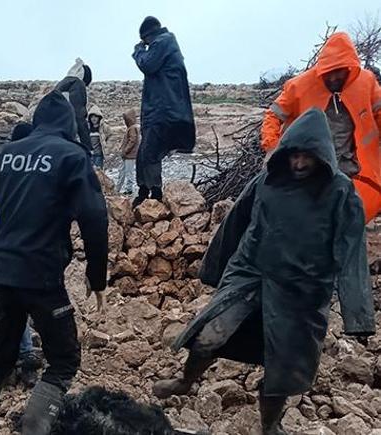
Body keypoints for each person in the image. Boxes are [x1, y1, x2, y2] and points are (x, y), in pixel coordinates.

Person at [155, 109, 375, 435]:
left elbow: (352, 250)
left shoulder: (341, 193)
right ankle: (185, 381)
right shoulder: (268, 180)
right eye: (294, 156)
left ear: (321, 156)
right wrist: (214, 271)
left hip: (302, 291)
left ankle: (270, 424)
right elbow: (235, 224)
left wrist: (358, 317)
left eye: (307, 157)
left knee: (283, 366)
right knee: (210, 332)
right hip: (251, 273)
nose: (299, 164)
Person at [0, 91, 109, 435]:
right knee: (64, 360)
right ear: (69, 125)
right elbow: (95, 216)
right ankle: (33, 429)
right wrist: (97, 275)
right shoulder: (71, 156)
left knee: (3, 347)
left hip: (4, 275)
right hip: (42, 277)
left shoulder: (6, 154)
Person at [262, 32, 381, 223]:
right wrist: (273, 148)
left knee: (350, 219)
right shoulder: (299, 86)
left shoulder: (366, 82)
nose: (333, 77)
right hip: (311, 168)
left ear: (350, 68)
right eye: (328, 72)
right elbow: (273, 115)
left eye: (339, 71)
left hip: (352, 168)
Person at [0, 122, 41, 387]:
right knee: (18, 310)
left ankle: (17, 354)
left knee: (10, 310)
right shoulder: (26, 173)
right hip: (17, 258)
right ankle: (23, 357)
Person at [132, 16, 195, 206]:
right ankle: (144, 189)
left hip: (163, 111)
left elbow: (147, 64)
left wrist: (138, 51)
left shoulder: (162, 42)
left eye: (145, 41)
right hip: (160, 109)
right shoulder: (165, 44)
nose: (145, 45)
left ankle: (155, 194)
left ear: (147, 36)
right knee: (144, 151)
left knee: (150, 150)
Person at [55, 58, 93, 152]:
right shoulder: (77, 84)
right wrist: (88, 146)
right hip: (66, 133)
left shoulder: (60, 85)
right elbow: (78, 115)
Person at [116, 109, 141, 194]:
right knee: (122, 171)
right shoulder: (132, 128)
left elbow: (132, 141)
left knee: (128, 172)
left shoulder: (132, 128)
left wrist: (125, 150)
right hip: (127, 155)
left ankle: (129, 189)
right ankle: (118, 189)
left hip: (130, 155)